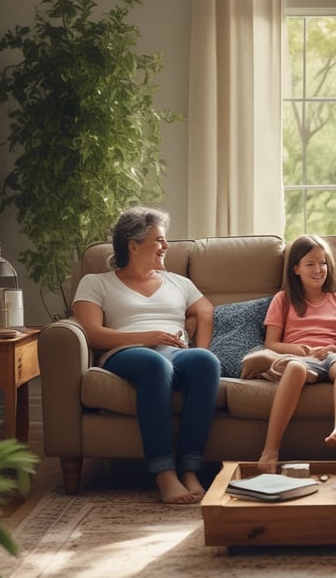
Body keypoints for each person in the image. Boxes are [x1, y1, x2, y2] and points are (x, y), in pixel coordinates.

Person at [73, 207, 221, 504]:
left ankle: (190, 469)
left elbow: (205, 310)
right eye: (160, 240)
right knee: (155, 365)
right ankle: (164, 473)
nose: (166, 246)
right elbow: (92, 333)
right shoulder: (96, 282)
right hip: (125, 353)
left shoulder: (177, 282)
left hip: (175, 352)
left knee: (206, 362)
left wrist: (199, 348)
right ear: (133, 245)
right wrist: (146, 337)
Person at [257, 235, 336, 474]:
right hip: (300, 358)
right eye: (310, 264)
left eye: (323, 263)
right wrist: (300, 350)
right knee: (295, 368)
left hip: (331, 355)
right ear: (296, 269)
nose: (318, 269)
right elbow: (271, 342)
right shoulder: (283, 299)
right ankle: (270, 449)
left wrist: (333, 349)